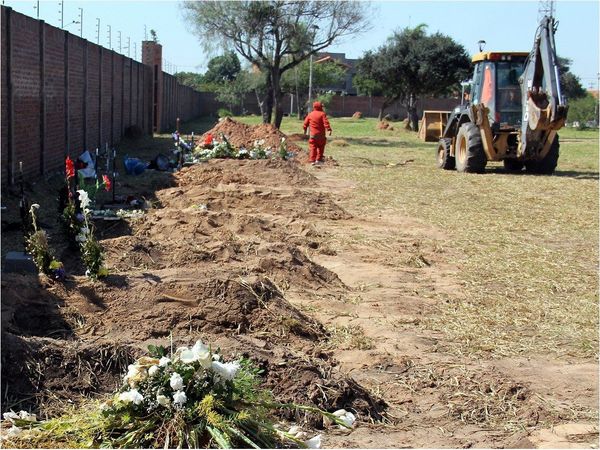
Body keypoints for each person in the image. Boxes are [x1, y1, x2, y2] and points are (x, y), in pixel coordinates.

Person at [303, 101, 332, 165]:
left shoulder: (310, 114)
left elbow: (305, 123)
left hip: (313, 136)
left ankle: (312, 160)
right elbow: (326, 122)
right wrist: (329, 129)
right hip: (321, 136)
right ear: (320, 107)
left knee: (313, 148)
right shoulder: (322, 114)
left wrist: (304, 130)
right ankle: (318, 160)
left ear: (314, 107)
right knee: (321, 148)